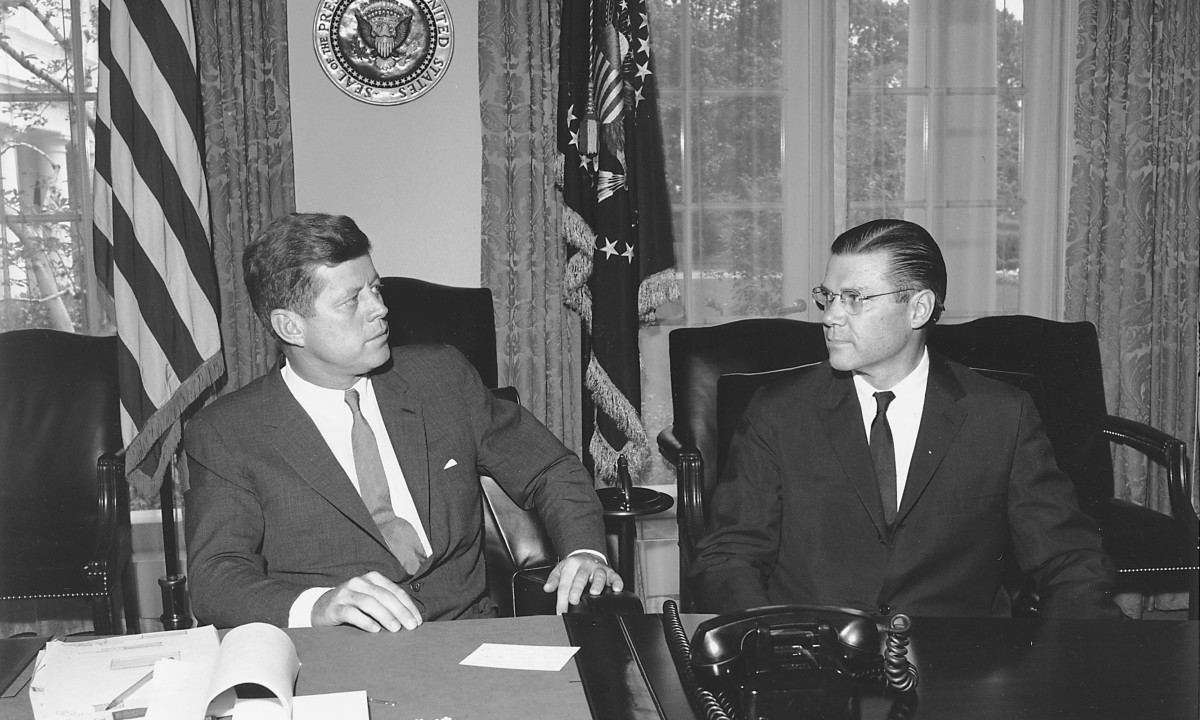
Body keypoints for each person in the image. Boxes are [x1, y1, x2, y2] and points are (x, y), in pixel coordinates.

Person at [185, 213, 621, 631]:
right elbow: (215, 577)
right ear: (291, 327)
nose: (379, 308)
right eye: (351, 300)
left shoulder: (442, 378)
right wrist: (317, 606)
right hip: (341, 659)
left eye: (374, 288)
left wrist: (584, 553)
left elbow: (549, 468)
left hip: (468, 640)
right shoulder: (227, 432)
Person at [689, 219, 1122, 619]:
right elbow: (729, 557)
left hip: (957, 668)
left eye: (854, 299)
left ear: (918, 309)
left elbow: (1067, 558)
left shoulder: (1002, 414)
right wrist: (767, 639)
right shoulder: (779, 412)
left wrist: (1083, 656)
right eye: (829, 297)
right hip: (816, 660)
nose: (830, 316)